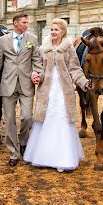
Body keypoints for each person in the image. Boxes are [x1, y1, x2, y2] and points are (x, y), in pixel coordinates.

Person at [24, 18, 89, 172]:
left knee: (61, 118)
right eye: (51, 29)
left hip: (63, 91)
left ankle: (63, 158)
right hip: (46, 89)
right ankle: (43, 156)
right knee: (44, 118)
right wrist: (35, 75)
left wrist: (84, 82)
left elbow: (74, 69)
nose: (53, 32)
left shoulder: (68, 48)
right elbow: (37, 67)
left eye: (56, 30)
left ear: (63, 32)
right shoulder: (43, 48)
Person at [0, 12, 42, 167]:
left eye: (27, 23)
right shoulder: (3, 41)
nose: (26, 25)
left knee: (27, 117)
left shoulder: (32, 40)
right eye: (24, 22)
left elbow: (37, 61)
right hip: (7, 85)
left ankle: (23, 142)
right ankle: (14, 153)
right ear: (15, 24)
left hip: (26, 84)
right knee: (9, 121)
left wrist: (38, 75)